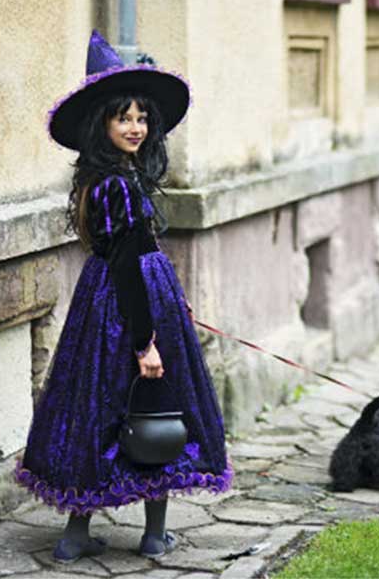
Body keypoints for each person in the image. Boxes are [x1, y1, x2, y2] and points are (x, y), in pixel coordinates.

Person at [13, 29, 233, 563]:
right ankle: (153, 533)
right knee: (152, 402)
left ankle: (74, 534)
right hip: (131, 307)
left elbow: (129, 256)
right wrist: (145, 343)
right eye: (123, 118)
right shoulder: (119, 185)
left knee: (96, 406)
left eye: (141, 119)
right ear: (101, 125)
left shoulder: (100, 179)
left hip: (110, 302)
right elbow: (132, 268)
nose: (134, 127)